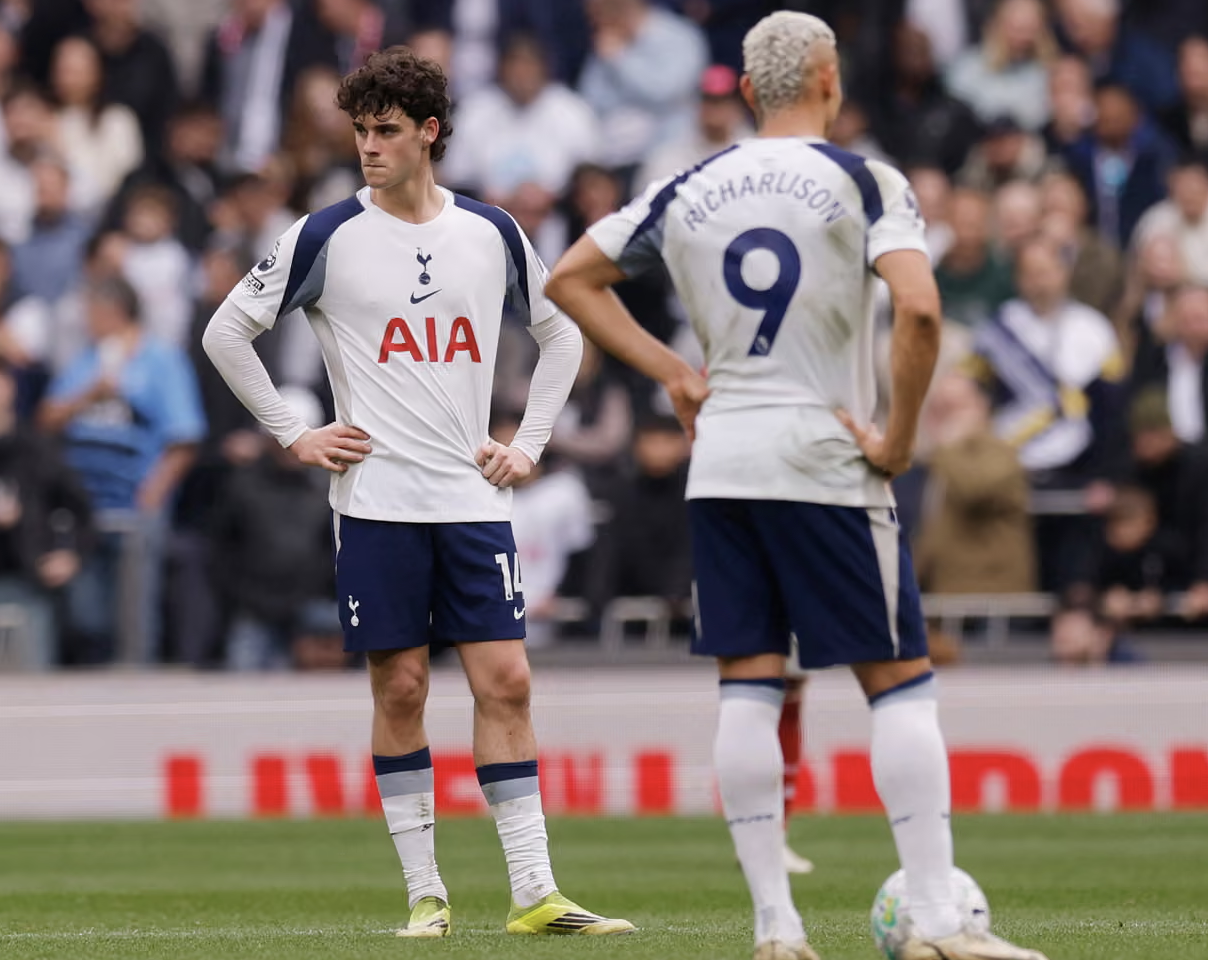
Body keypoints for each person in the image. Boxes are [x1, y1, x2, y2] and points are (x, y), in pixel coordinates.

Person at [546, 11, 1049, 960]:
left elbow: (570, 278)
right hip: (825, 459)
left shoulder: (689, 184)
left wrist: (676, 374)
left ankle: (776, 928)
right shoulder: (865, 180)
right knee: (898, 683)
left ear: (745, 90)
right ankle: (940, 921)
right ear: (830, 79)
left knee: (749, 683)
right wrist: (899, 439)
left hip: (722, 462)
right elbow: (921, 311)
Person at [202, 46, 632, 938]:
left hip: (472, 501)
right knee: (400, 688)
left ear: (429, 132)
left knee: (507, 681)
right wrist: (293, 432)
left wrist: (530, 444)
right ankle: (425, 894)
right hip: (376, 505)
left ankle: (534, 892)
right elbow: (225, 332)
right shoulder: (323, 235)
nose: (369, 146)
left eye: (387, 131)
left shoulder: (491, 232)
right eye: (360, 131)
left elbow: (564, 334)